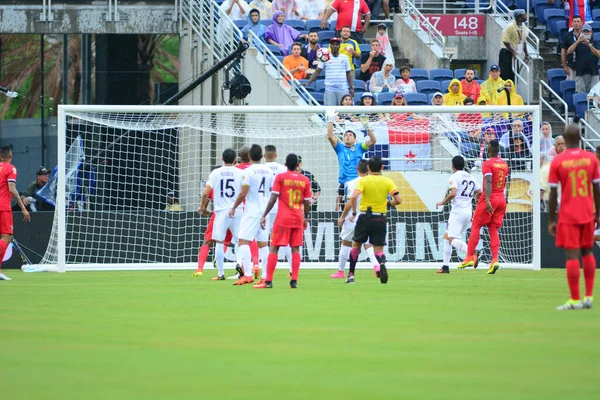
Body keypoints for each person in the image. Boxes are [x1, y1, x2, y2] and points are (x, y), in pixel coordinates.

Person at [548, 124, 599, 310]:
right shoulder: (590, 158)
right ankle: (588, 296)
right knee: (587, 251)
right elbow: (597, 188)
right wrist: (598, 214)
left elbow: (553, 193)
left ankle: (575, 299)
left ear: (565, 139)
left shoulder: (558, 161)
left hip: (569, 213)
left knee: (572, 255)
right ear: (580, 138)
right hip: (587, 212)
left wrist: (551, 220)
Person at [254, 153, 311, 289]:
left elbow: (273, 198)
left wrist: (264, 215)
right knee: (295, 248)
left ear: (285, 164)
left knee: (274, 247)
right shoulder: (305, 180)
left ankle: (268, 281)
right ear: (298, 165)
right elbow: (307, 202)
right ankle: (294, 280)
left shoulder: (281, 177)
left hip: (283, 218)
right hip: (297, 218)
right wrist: (306, 217)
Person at [345, 156, 402, 284]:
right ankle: (381, 263)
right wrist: (388, 203)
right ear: (382, 167)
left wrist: (354, 212)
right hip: (380, 217)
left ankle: (351, 275)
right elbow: (399, 200)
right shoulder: (388, 181)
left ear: (368, 168)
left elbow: (353, 196)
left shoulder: (364, 181)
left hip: (365, 216)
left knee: (356, 246)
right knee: (378, 250)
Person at [458, 139, 508, 275]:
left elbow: (488, 181)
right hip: (501, 198)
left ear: (490, 149)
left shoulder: (488, 163)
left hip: (490, 197)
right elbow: (506, 182)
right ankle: (494, 260)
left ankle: (468, 257)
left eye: (487, 146)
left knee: (476, 225)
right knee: (493, 229)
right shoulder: (504, 164)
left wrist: (486, 200)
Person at [229, 144, 274, 285]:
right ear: (262, 156)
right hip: (265, 211)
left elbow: (243, 192)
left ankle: (247, 274)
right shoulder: (269, 171)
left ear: (249, 157)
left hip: (252, 211)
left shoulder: (248, 172)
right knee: (263, 244)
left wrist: (234, 207)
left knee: (242, 241)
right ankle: (265, 277)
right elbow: (273, 191)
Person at [198, 149, 244, 281]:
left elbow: (206, 193)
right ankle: (239, 264)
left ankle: (220, 273)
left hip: (221, 211)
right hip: (237, 210)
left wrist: (202, 207)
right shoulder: (240, 173)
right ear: (235, 159)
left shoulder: (215, 173)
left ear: (222, 159)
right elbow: (245, 191)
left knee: (219, 242)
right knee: (239, 241)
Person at [333, 159, 382, 278]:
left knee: (346, 242)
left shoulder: (352, 183)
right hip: (369, 217)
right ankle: (376, 266)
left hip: (353, 217)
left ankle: (340, 271)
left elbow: (350, 202)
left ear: (356, 169)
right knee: (368, 244)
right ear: (368, 169)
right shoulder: (374, 182)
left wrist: (342, 217)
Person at [435, 156, 482, 274]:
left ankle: (472, 252)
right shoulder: (471, 177)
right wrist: (477, 202)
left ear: (452, 165)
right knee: (447, 237)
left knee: (451, 239)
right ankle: (445, 266)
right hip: (468, 212)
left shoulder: (454, 177)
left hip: (457, 212)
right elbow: (480, 193)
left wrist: (442, 202)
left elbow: (453, 193)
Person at [327, 114, 376, 212]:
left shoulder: (359, 147)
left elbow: (373, 140)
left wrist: (367, 127)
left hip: (358, 180)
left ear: (355, 139)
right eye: (346, 135)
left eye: (350, 135)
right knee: (351, 207)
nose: (347, 137)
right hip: (346, 182)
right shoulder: (340, 148)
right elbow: (330, 136)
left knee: (355, 207)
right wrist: (330, 120)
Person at [0, 146, 31, 281]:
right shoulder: (10, 168)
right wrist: (23, 207)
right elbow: (12, 189)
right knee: (6, 238)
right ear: (11, 156)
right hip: (3, 207)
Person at [263, 145, 293, 277]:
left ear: (264, 156)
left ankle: (263, 270)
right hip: (280, 208)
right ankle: (292, 269)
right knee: (283, 239)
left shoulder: (261, 169)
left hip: (263, 208)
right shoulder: (283, 169)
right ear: (276, 155)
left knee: (262, 240)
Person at [302, 37, 354, 106]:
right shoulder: (325, 57)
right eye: (333, 44)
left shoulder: (345, 57)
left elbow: (348, 73)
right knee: (330, 111)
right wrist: (308, 82)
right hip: (330, 89)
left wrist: (351, 87)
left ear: (339, 46)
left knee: (344, 111)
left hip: (343, 88)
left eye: (337, 44)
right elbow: (318, 71)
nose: (335, 46)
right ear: (330, 46)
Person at [567, 23, 600, 93]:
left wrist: (589, 45)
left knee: (594, 95)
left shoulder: (596, 43)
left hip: (593, 72)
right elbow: (569, 51)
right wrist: (578, 41)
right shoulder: (577, 42)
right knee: (580, 93)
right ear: (582, 32)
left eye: (587, 32)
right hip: (580, 72)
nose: (586, 33)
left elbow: (598, 54)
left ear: (591, 32)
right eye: (584, 31)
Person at [499, 9, 529, 83]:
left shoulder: (523, 26)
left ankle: (512, 91)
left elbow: (523, 40)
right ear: (519, 17)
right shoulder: (510, 26)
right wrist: (512, 51)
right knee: (505, 75)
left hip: (515, 52)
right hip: (506, 51)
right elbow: (505, 40)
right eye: (524, 15)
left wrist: (526, 53)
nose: (526, 16)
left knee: (514, 75)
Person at [561, 15, 582, 81]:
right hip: (571, 66)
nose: (576, 23)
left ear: (581, 23)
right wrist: (564, 66)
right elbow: (563, 51)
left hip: (583, 66)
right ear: (572, 23)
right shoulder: (567, 36)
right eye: (574, 21)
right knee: (571, 85)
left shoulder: (585, 35)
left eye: (578, 21)